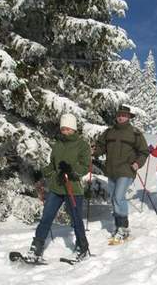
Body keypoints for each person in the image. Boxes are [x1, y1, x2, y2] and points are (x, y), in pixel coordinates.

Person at [25, 113, 91, 263]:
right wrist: (42, 173)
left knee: (76, 219)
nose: (65, 132)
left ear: (74, 128)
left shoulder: (82, 145)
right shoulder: (58, 144)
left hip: (72, 187)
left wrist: (72, 169)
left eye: (68, 129)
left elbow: (85, 166)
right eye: (63, 129)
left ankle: (82, 246)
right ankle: (37, 247)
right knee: (46, 217)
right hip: (56, 187)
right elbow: (53, 165)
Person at [93, 105, 149, 244]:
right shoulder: (109, 132)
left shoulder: (135, 133)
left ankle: (123, 228)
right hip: (111, 170)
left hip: (127, 170)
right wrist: (93, 151)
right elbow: (101, 147)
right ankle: (119, 226)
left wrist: (137, 163)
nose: (121, 117)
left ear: (129, 117)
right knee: (113, 198)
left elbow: (144, 151)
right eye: (119, 115)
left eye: (124, 115)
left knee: (118, 197)